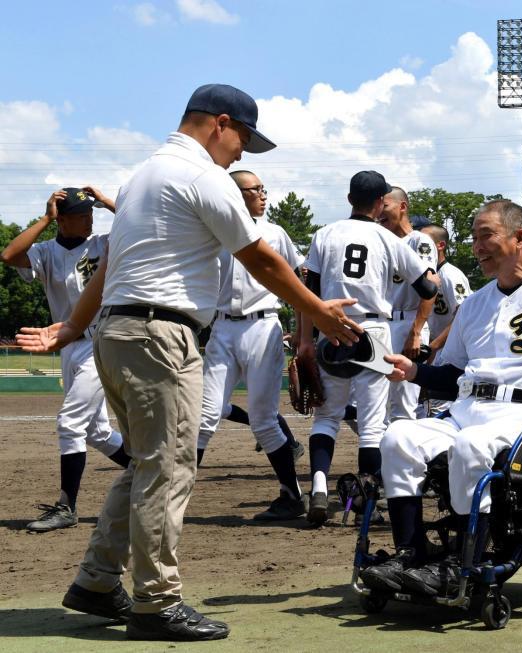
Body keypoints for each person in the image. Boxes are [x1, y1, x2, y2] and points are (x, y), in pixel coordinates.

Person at [17, 83, 361, 641]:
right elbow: (261, 258)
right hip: (161, 335)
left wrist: (75, 326)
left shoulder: (141, 177)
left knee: (145, 465)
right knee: (168, 470)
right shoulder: (201, 176)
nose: (243, 152)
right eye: (244, 138)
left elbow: (107, 274)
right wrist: (318, 312)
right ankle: (157, 603)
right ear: (220, 123)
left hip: (120, 331)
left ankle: (98, 581)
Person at [359, 199, 522, 597]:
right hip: (468, 407)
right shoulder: (475, 304)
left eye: (486, 236)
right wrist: (414, 372)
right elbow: (452, 375)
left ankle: (461, 563)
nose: (477, 246)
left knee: (471, 447)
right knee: (398, 438)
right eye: (474, 238)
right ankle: (410, 554)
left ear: (520, 238)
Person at [300, 171, 438, 527]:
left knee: (327, 416)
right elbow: (426, 288)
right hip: (373, 330)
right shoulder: (387, 238)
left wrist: (305, 341)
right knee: (372, 424)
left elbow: (309, 292)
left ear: (349, 199)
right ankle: (366, 500)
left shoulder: (324, 234)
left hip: (331, 326)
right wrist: (432, 275)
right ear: (380, 203)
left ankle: (317, 486)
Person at [1, 187, 131, 532]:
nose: (90, 219)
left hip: (102, 341)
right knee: (98, 432)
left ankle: (66, 506)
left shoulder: (103, 243)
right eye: (81, 214)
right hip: (69, 344)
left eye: (92, 213)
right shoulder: (45, 252)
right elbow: (10, 255)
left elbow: (136, 222)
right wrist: (45, 218)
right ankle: (150, 477)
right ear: (63, 219)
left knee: (71, 422)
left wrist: (105, 201)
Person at [195, 170, 307, 521]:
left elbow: (302, 274)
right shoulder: (211, 231)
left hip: (264, 326)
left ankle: (292, 496)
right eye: (254, 189)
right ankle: (172, 494)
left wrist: (305, 333)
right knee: (203, 416)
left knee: (262, 420)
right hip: (223, 328)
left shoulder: (274, 233)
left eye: (263, 188)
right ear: (233, 193)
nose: (263, 194)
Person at [378, 186, 438, 421]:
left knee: (403, 404)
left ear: (402, 206)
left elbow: (429, 289)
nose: (379, 212)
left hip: (407, 321)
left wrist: (416, 331)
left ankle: (406, 457)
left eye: (385, 206)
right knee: (372, 402)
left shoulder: (419, 241)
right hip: (383, 324)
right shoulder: (382, 241)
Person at [419, 222, 473, 415]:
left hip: (448, 350)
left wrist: (434, 346)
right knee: (425, 406)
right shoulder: (427, 275)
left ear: (440, 245)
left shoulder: (451, 275)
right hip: (432, 347)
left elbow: (463, 314)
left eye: (425, 242)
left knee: (437, 407)